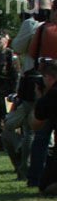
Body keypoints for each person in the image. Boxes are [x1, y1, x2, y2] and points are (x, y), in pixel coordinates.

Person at [30, 59, 57, 193]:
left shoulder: (51, 95)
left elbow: (35, 125)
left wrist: (39, 99)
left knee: (45, 187)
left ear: (48, 77)